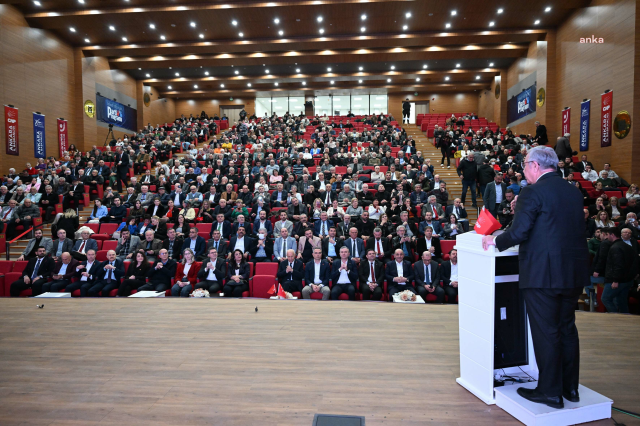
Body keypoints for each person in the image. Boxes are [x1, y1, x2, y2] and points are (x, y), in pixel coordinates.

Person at [482, 146, 589, 409]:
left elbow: (518, 233)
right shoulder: (572, 191)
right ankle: (569, 388)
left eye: (525, 164)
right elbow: (553, 226)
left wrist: (494, 240)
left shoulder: (531, 191)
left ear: (536, 166)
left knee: (547, 332)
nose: (523, 170)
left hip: (543, 275)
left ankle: (549, 392)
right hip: (573, 274)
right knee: (567, 329)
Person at [601, 227, 638, 313]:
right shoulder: (628, 246)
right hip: (628, 279)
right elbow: (635, 262)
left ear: (612, 235)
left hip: (617, 280)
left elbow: (618, 265)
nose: (607, 237)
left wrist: (615, 280)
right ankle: (625, 321)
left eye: (607, 234)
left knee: (605, 298)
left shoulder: (615, 247)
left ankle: (615, 317)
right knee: (622, 302)